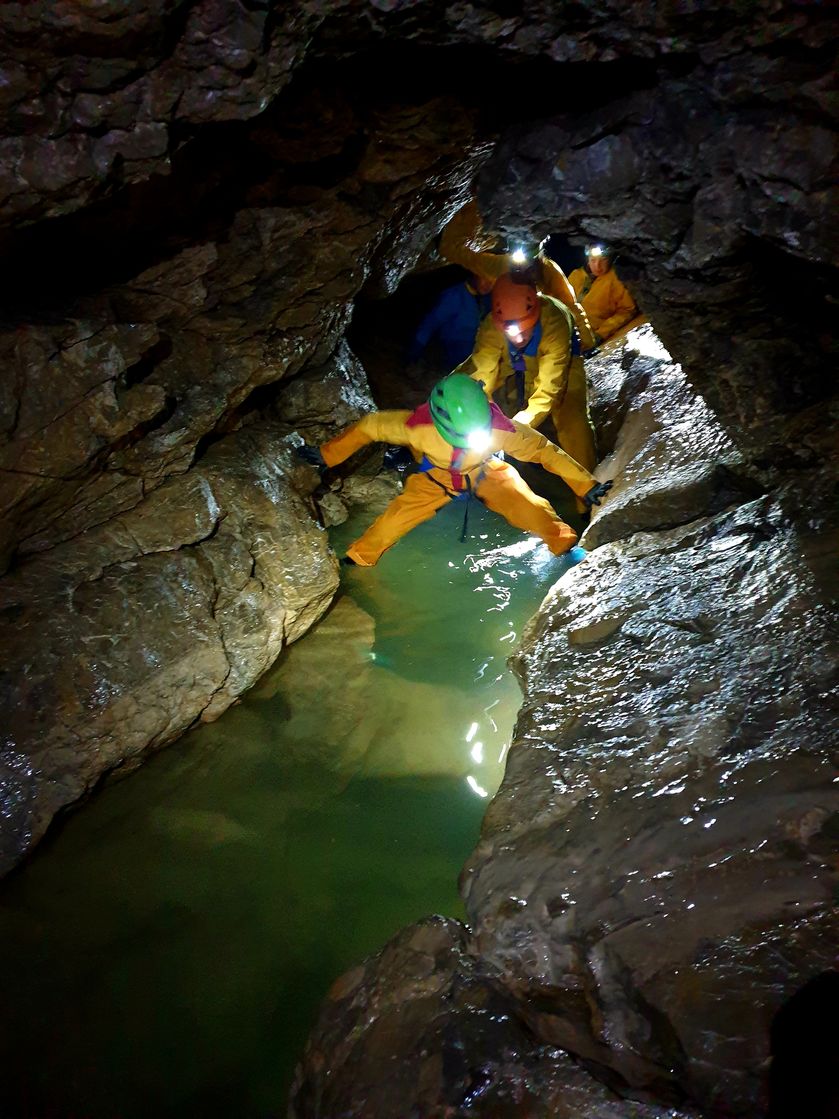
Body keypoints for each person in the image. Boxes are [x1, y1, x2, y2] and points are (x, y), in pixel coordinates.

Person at [296, 374, 611, 567]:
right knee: (394, 519)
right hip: (436, 477)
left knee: (528, 506)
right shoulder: (416, 428)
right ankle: (358, 559)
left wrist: (585, 485)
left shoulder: (500, 430)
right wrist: (327, 455)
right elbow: (369, 426)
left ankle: (565, 546)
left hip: (484, 471)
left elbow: (544, 451)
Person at [456, 273, 597, 482]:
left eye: (525, 330)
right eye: (512, 332)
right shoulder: (492, 326)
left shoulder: (554, 320)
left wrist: (518, 426)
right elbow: (481, 374)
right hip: (511, 358)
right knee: (458, 385)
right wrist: (485, 419)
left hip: (561, 359)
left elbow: (549, 388)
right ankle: (441, 458)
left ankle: (587, 491)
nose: (519, 338)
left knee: (571, 417)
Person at [439, 201, 597, 351]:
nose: (524, 268)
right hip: (513, 333)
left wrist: (587, 342)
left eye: (530, 260)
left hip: (544, 333)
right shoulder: (501, 266)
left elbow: (571, 305)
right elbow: (453, 251)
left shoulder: (548, 271)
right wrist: (474, 206)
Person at [407, 272, 493, 369]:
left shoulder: (487, 300)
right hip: (453, 356)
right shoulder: (454, 296)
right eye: (485, 278)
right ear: (475, 273)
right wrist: (414, 353)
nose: (489, 285)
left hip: (477, 354)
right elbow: (430, 324)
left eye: (493, 281)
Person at [568, 244, 638, 343]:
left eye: (603, 260)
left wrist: (601, 333)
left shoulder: (615, 278)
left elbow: (627, 310)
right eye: (593, 260)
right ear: (587, 260)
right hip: (566, 332)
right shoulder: (576, 276)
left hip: (591, 336)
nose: (598, 266)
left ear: (610, 259)